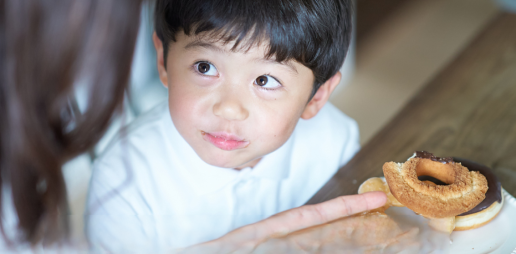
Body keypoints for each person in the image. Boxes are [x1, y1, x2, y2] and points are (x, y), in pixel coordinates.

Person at [0, 0, 386, 252]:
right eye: (205, 68)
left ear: (316, 97)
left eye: (266, 81)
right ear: (164, 61)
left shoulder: (335, 141)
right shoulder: (124, 185)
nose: (229, 108)